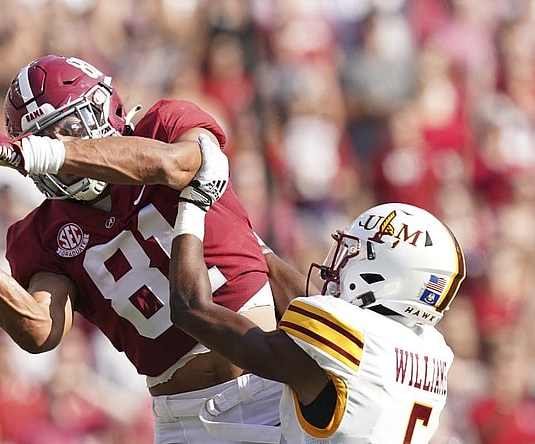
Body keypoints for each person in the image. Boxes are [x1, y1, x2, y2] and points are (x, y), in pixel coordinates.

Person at [0, 54, 308, 443]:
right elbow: (41, 330)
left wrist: (36, 151)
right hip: (187, 418)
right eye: (41, 139)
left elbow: (176, 164)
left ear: (102, 110)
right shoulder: (41, 232)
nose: (58, 153)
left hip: (275, 378)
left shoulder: (166, 125)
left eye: (66, 130)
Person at [168, 140, 467, 443]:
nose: (337, 260)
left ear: (382, 275)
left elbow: (190, 309)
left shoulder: (353, 347)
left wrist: (194, 204)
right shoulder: (428, 347)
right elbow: (308, 299)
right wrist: (234, 221)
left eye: (353, 252)